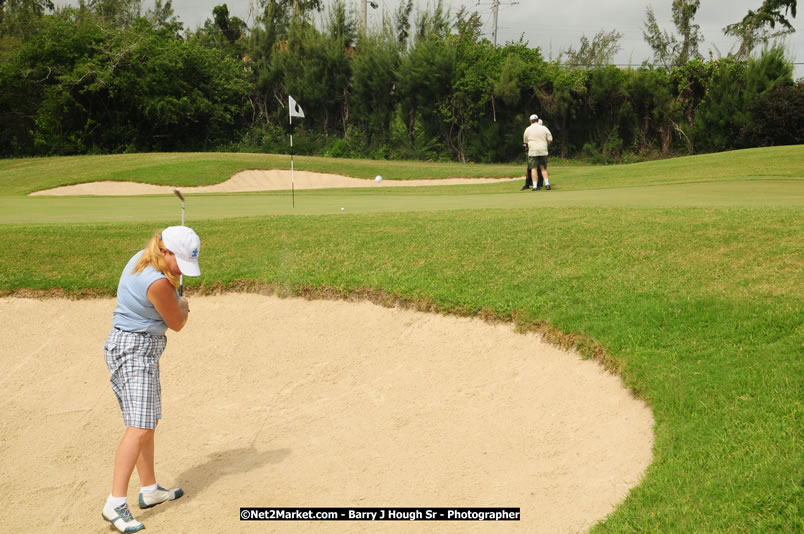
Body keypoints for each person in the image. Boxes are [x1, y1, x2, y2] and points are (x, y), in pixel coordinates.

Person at [102, 226, 201, 533]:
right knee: (140, 426)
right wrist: (183, 305)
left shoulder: (143, 258)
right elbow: (177, 323)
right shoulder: (157, 282)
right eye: (178, 262)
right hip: (134, 351)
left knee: (146, 422)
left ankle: (149, 489)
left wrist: (174, 285)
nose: (180, 270)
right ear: (165, 251)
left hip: (134, 348)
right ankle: (115, 503)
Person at [523, 114, 553, 191]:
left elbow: (525, 141)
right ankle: (547, 184)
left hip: (533, 151)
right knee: (543, 168)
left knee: (534, 168)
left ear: (530, 121)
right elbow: (550, 140)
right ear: (538, 120)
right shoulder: (544, 128)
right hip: (543, 150)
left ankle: (535, 186)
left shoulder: (528, 129)